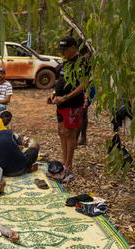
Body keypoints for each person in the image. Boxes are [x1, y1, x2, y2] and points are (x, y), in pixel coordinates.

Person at [47, 36, 90, 176]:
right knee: (61, 132)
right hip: (60, 103)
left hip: (73, 103)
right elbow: (61, 80)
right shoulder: (66, 62)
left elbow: (83, 84)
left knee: (70, 133)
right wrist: (54, 94)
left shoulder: (82, 62)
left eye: (64, 50)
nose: (62, 53)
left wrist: (66, 97)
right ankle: (63, 161)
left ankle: (69, 165)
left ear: (73, 48)